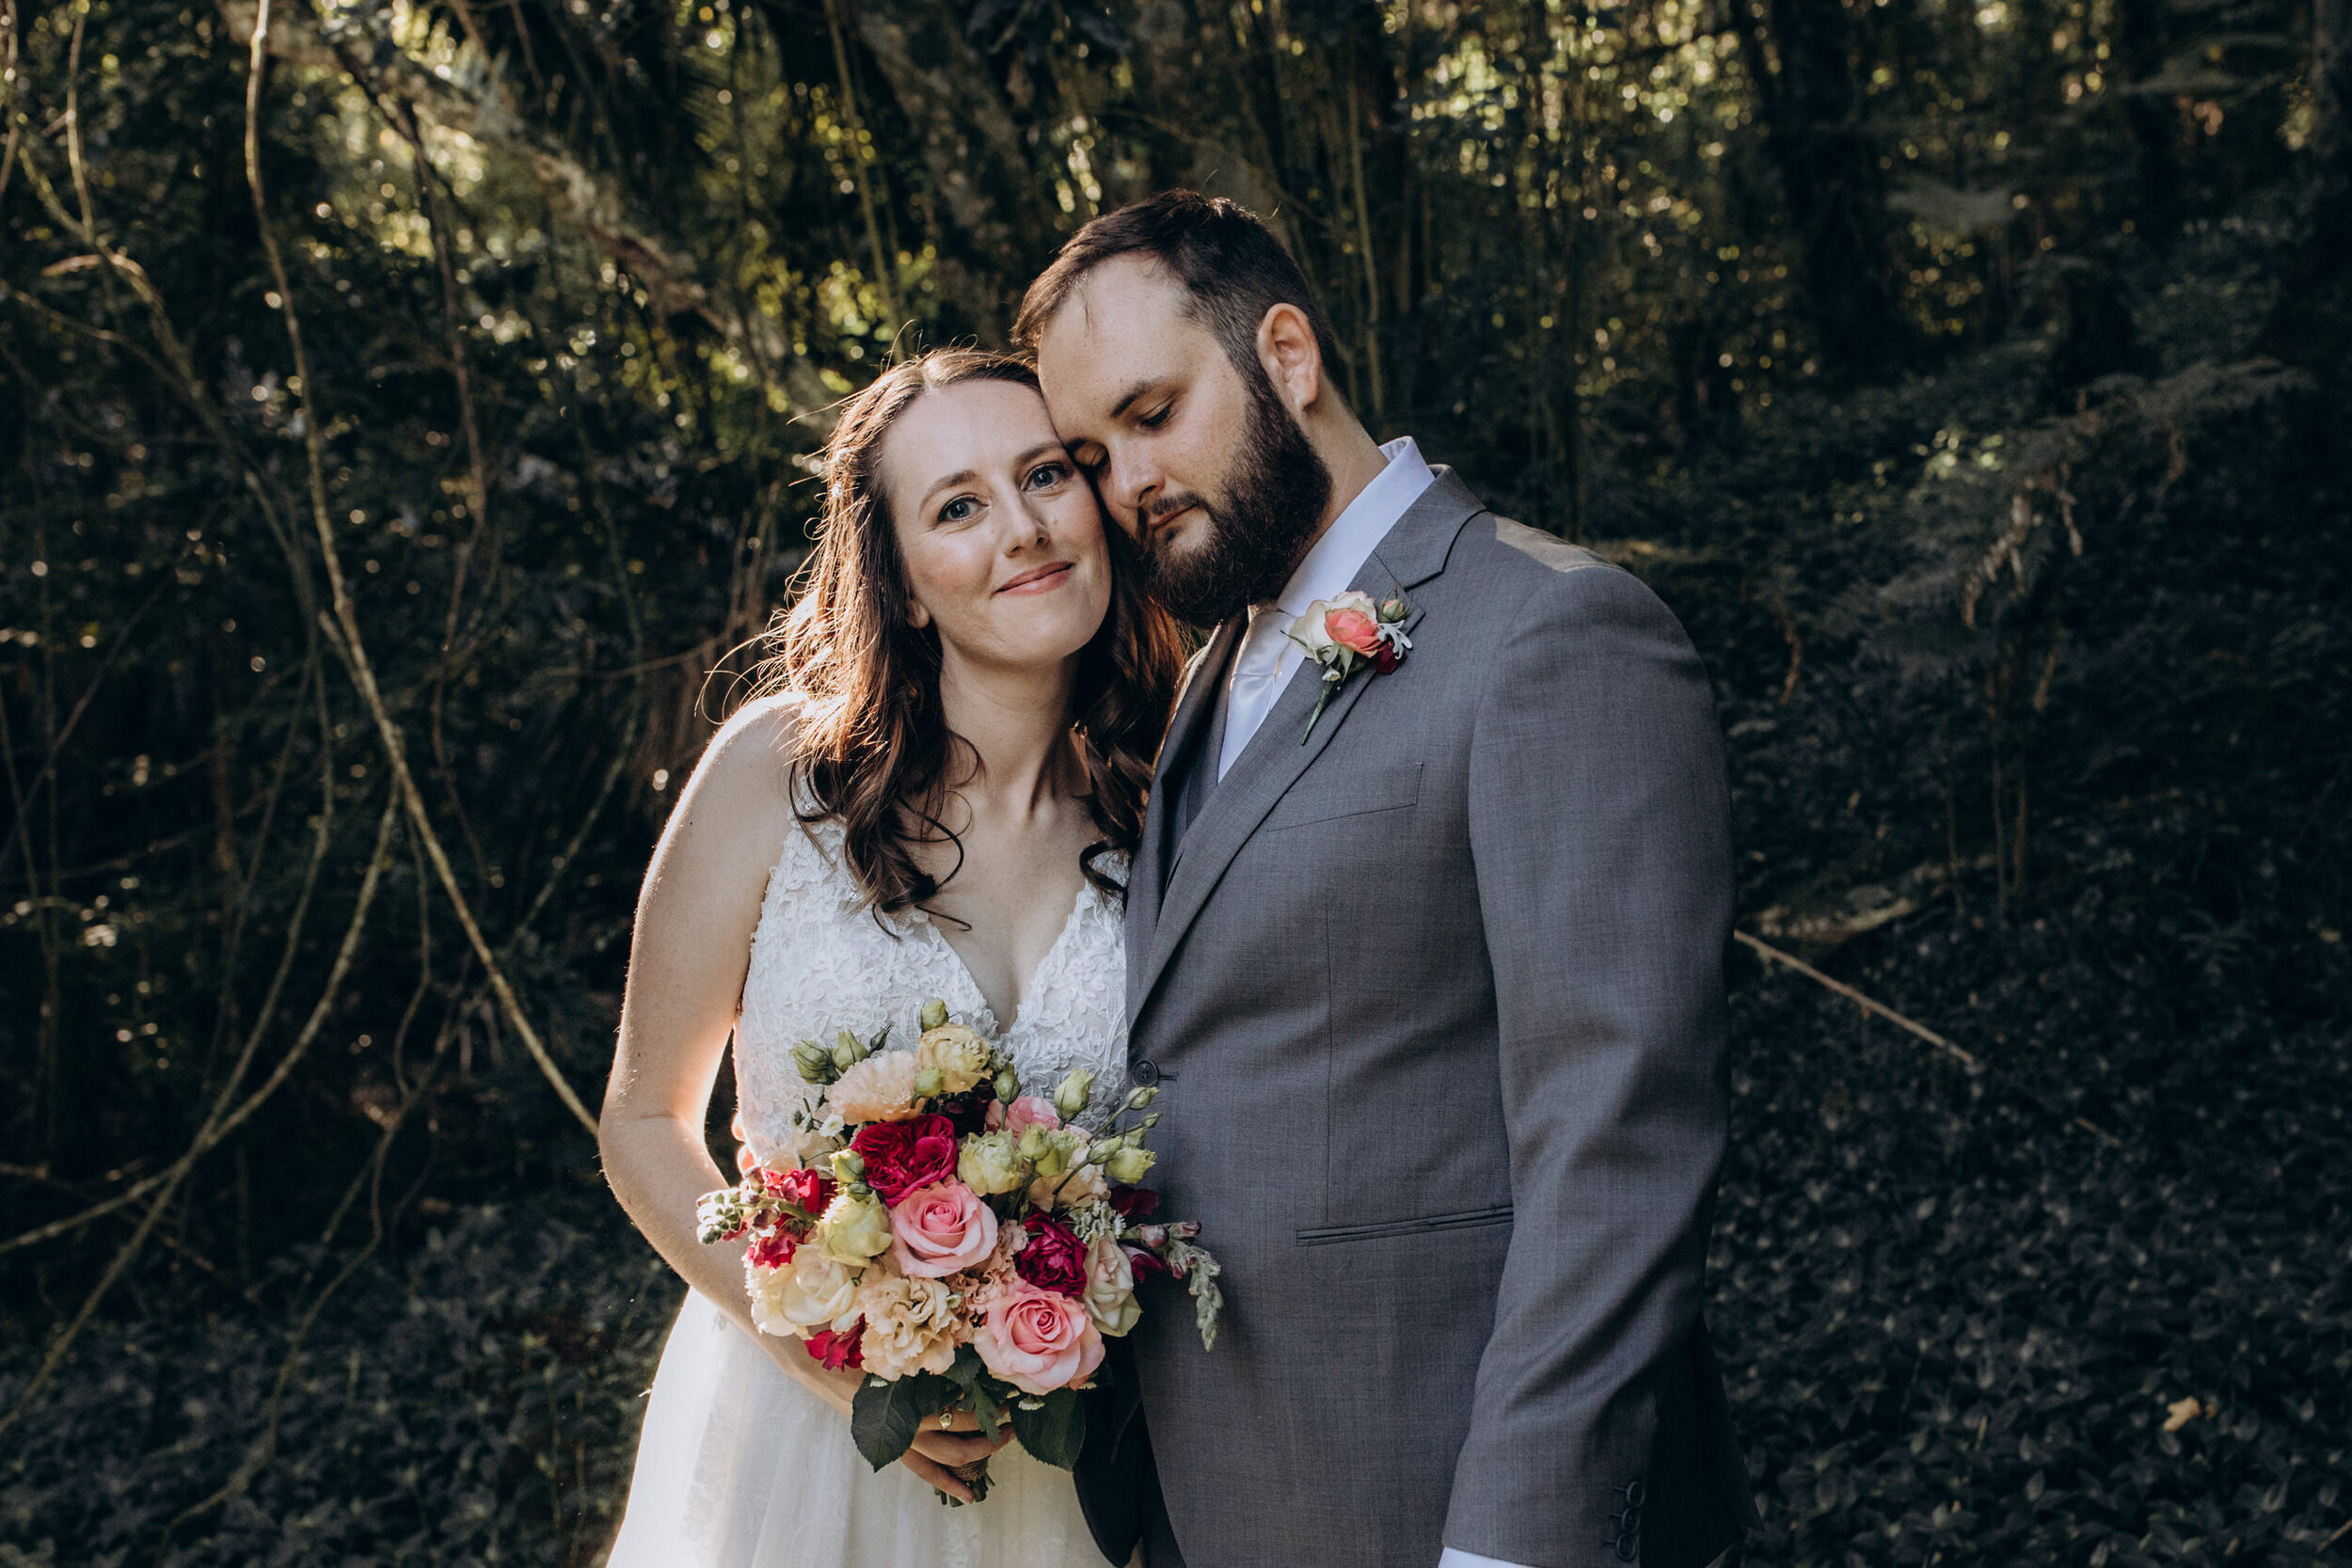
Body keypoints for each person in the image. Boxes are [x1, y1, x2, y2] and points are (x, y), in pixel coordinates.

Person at [1023, 192, 1756, 1568]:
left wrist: (1512, 1544)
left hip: (1444, 1500)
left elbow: (1622, 1137)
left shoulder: (1551, 630)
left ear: (1287, 356)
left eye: (1152, 412)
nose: (1127, 483)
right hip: (1217, 1496)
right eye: (1088, 452)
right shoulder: (1203, 683)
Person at [598, 349, 1186, 1568]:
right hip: (806, 1461)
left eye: (1044, 476)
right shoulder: (778, 777)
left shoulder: (1177, 806)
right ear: (906, 585)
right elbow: (642, 1119)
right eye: (959, 505)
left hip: (1091, 1473)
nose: (1023, 529)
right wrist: (815, 1351)